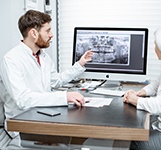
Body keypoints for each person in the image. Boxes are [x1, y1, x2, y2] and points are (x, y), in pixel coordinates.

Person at [0, 10, 93, 149]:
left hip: (44, 117)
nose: (51, 35)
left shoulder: (43, 56)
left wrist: (79, 64)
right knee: (74, 138)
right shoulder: (11, 60)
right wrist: (64, 97)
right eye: (48, 31)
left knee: (83, 132)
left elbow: (56, 81)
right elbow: (23, 99)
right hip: (22, 125)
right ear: (33, 33)